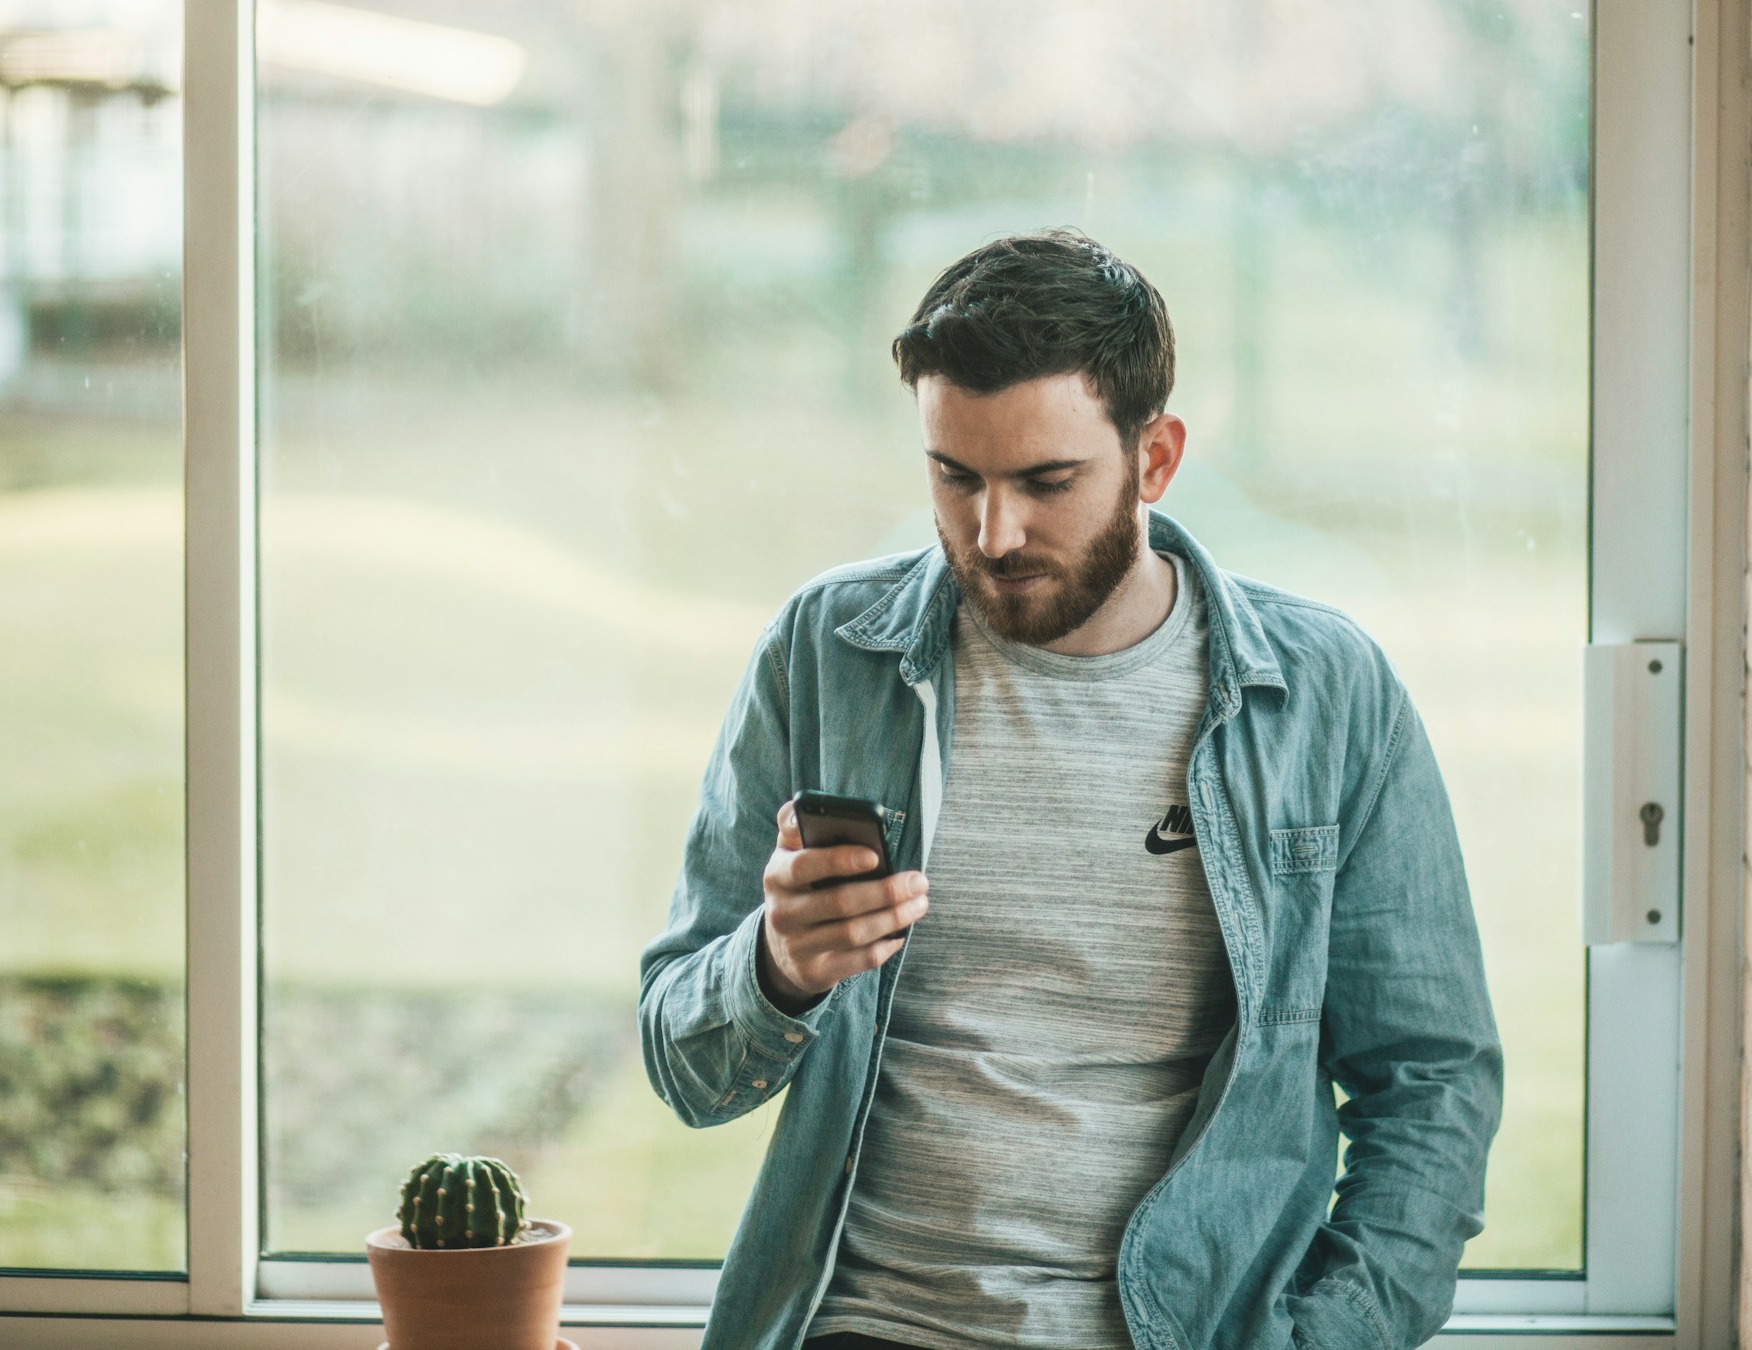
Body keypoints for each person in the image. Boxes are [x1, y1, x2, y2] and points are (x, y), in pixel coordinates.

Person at [637, 229, 1503, 1350]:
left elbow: (1431, 1083)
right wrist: (780, 966)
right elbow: (683, 1064)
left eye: (1047, 482)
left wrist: (1333, 1336)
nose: (993, 533)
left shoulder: (1326, 696)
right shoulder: (824, 653)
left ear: (1155, 459)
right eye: (956, 476)